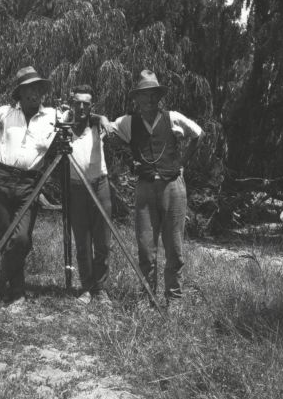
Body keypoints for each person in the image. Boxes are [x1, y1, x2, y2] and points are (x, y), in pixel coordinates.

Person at [104, 69, 204, 309]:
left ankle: (175, 299)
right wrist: (129, 156)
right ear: (136, 99)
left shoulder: (172, 118)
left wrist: (181, 164)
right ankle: (146, 298)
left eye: (153, 95)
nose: (149, 100)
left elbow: (198, 134)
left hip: (172, 187)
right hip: (145, 188)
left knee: (174, 247)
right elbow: (108, 132)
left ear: (159, 97)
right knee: (146, 247)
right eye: (144, 95)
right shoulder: (128, 122)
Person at [0, 66, 55, 311]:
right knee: (7, 238)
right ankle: (17, 292)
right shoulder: (6, 113)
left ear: (42, 92)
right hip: (1, 180)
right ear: (19, 94)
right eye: (27, 89)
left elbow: (81, 117)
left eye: (37, 88)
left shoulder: (52, 116)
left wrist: (98, 119)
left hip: (30, 184)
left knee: (22, 240)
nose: (33, 93)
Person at [68, 85, 112, 306]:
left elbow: (101, 120)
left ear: (91, 106)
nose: (82, 107)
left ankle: (101, 289)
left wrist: (101, 117)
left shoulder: (97, 125)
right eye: (78, 103)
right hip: (76, 189)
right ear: (72, 103)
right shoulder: (64, 127)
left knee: (103, 240)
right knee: (82, 241)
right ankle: (86, 287)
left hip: (99, 185)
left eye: (86, 103)